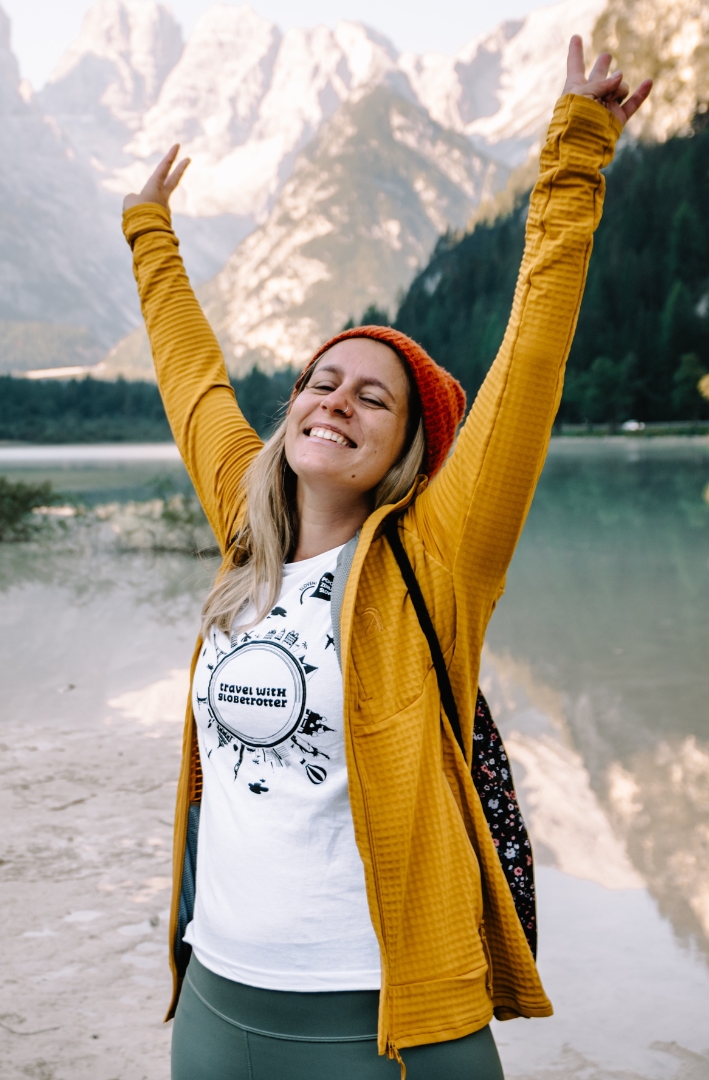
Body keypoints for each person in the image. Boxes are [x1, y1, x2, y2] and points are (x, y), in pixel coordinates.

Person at [120, 36, 651, 1080]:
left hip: (386, 1026)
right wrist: (149, 234)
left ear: (408, 449)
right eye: (323, 380)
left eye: (374, 396)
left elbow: (532, 362)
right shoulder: (246, 523)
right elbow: (193, 382)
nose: (336, 400)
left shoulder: (436, 561)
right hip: (215, 1008)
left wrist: (576, 157)